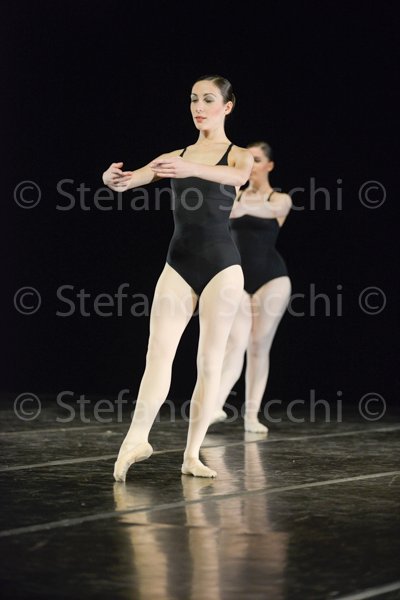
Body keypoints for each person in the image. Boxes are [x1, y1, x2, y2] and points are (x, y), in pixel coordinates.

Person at [102, 75, 253, 480]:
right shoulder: (175, 156)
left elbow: (237, 179)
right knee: (158, 354)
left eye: (208, 99)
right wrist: (113, 180)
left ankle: (191, 455)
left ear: (227, 106)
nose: (198, 107)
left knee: (209, 362)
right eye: (193, 99)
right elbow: (132, 179)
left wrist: (191, 168)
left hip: (222, 267)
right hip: (179, 264)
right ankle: (136, 439)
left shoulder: (239, 155)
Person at [211, 141, 292, 433]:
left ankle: (252, 416)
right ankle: (214, 405)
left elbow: (271, 211)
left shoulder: (280, 199)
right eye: (248, 159)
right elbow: (223, 212)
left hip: (272, 279)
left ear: (269, 165)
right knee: (235, 342)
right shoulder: (236, 195)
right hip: (240, 281)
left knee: (259, 346)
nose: (251, 164)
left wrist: (242, 205)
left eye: (256, 159)